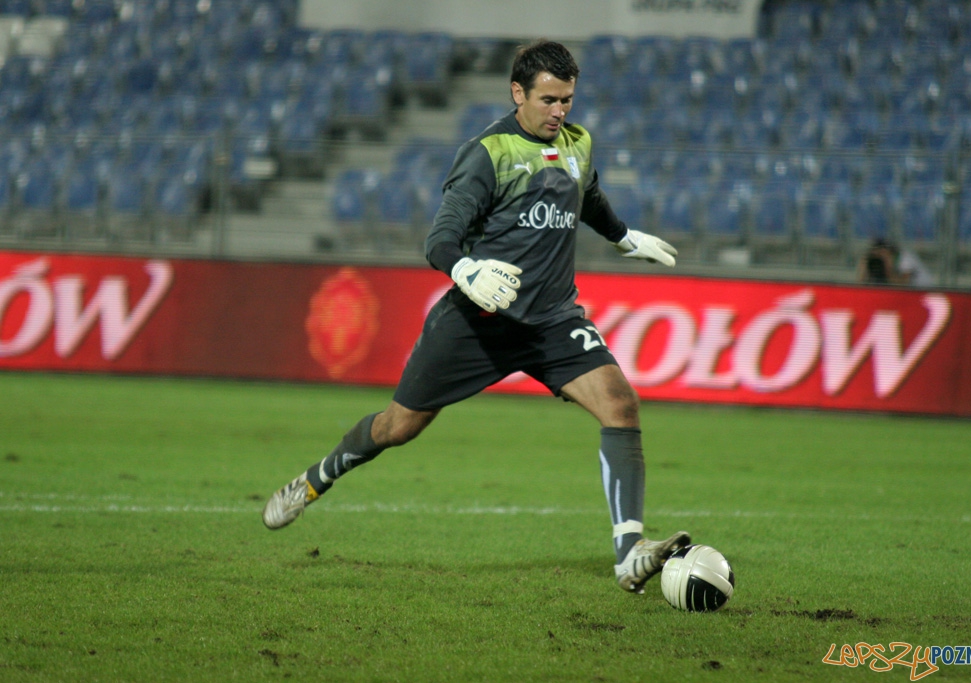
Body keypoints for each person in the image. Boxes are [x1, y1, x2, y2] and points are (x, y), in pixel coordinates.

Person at [263, 40, 689, 594]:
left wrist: (623, 236)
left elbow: (590, 195)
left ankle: (630, 552)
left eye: (568, 100)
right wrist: (467, 272)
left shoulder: (578, 142)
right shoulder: (488, 153)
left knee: (621, 405)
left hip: (554, 321)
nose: (561, 112)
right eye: (549, 99)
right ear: (518, 93)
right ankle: (317, 479)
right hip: (479, 321)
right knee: (399, 426)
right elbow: (440, 239)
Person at [858, 237, 935, 287]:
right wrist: (864, 267)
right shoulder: (881, 261)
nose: (879, 257)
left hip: (922, 290)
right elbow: (862, 284)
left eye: (880, 254)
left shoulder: (906, 258)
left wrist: (888, 267)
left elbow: (902, 284)